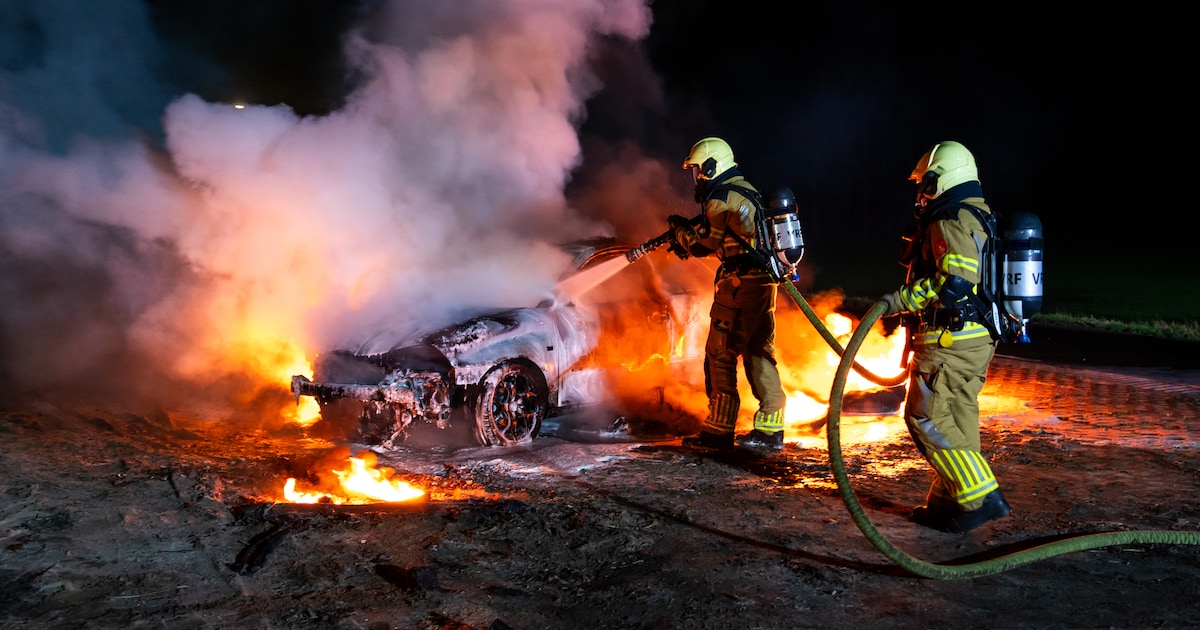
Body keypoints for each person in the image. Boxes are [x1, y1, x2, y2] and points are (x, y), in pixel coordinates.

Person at [879, 140, 1012, 532]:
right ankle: (949, 499)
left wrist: (900, 300)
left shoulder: (949, 217)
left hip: (950, 340)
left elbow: (954, 281)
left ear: (941, 179)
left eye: (925, 183)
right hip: (975, 338)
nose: (921, 194)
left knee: (925, 416)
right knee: (956, 415)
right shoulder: (977, 213)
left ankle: (980, 498)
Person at [669, 137, 787, 451]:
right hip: (763, 284)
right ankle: (771, 429)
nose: (697, 177)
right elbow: (733, 242)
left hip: (739, 287)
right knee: (758, 352)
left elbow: (703, 244)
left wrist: (680, 231)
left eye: (698, 169)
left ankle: (718, 431)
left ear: (712, 166)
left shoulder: (721, 197)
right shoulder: (747, 191)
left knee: (720, 354)